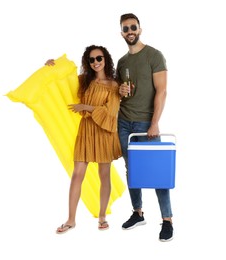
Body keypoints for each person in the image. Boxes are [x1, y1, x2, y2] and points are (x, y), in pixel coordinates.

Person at [45, 45, 122, 234]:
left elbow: (111, 112)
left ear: (106, 60)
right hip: (86, 130)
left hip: (104, 132)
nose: (96, 62)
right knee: (77, 174)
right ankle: (71, 219)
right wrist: (51, 66)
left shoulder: (114, 85)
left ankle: (102, 215)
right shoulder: (84, 81)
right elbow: (63, 81)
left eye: (99, 58)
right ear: (87, 63)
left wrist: (85, 107)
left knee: (104, 174)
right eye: (91, 59)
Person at [116, 13, 174, 241]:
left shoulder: (154, 55)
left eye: (133, 27)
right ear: (121, 32)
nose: (129, 31)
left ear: (139, 29)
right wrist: (119, 91)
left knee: (158, 172)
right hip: (123, 122)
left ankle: (167, 220)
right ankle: (138, 213)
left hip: (145, 124)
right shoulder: (122, 63)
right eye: (125, 28)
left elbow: (162, 91)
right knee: (132, 171)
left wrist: (155, 123)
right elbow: (115, 90)